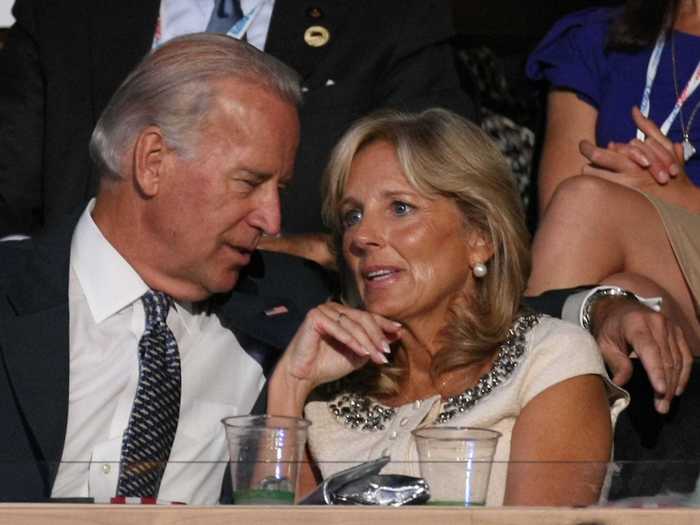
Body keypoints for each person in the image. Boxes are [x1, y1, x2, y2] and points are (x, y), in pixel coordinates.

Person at [0, 33, 333, 504]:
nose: (272, 219)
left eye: (279, 188)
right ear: (152, 161)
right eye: (250, 182)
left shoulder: (297, 311)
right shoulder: (10, 292)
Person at [267, 108, 629, 506]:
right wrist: (291, 385)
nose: (362, 236)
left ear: (480, 236)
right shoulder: (325, 397)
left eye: (400, 208)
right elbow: (271, 517)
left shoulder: (549, 359)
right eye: (352, 216)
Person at [0, 0, 475, 268]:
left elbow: (452, 209)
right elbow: (9, 203)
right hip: (76, 320)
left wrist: (290, 249)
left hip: (278, 328)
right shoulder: (65, 11)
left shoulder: (388, 18)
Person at [526, 0, 700, 214]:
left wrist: (684, 199)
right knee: (574, 199)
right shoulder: (596, 36)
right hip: (599, 232)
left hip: (689, 239)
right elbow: (561, 208)